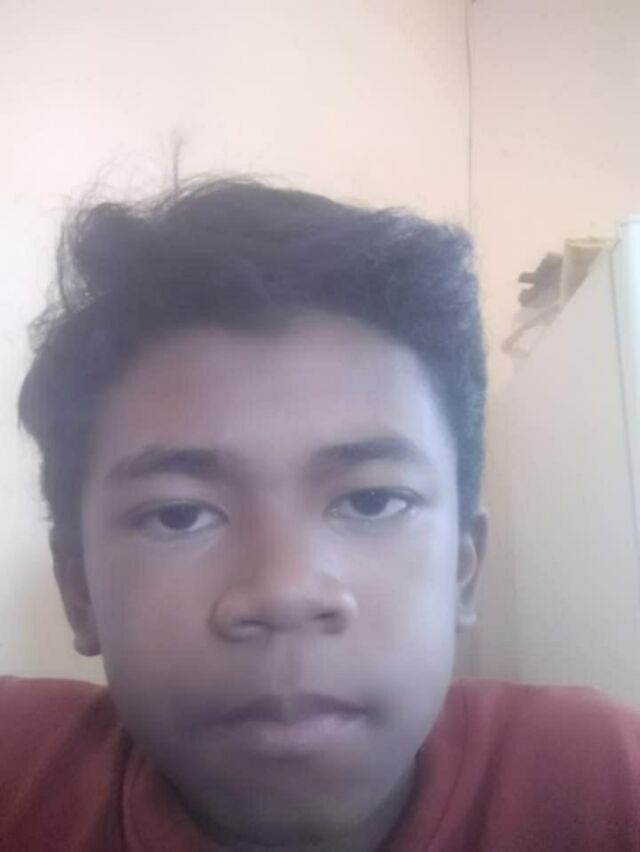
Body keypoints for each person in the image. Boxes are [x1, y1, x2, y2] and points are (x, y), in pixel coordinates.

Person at [1, 177, 638, 852]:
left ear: (463, 570)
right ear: (79, 589)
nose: (284, 592)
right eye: (179, 514)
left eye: (371, 501)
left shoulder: (603, 781)